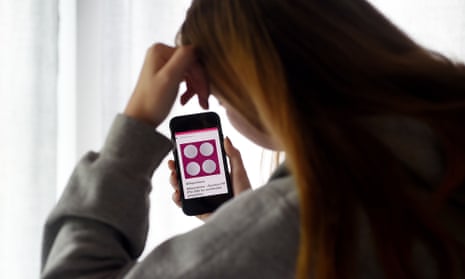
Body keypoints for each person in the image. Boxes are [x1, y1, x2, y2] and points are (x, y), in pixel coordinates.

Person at [41, 0, 465, 278]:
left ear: (255, 92)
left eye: (223, 101)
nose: (226, 112)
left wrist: (135, 124)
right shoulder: (443, 140)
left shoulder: (307, 216)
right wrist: (246, 219)